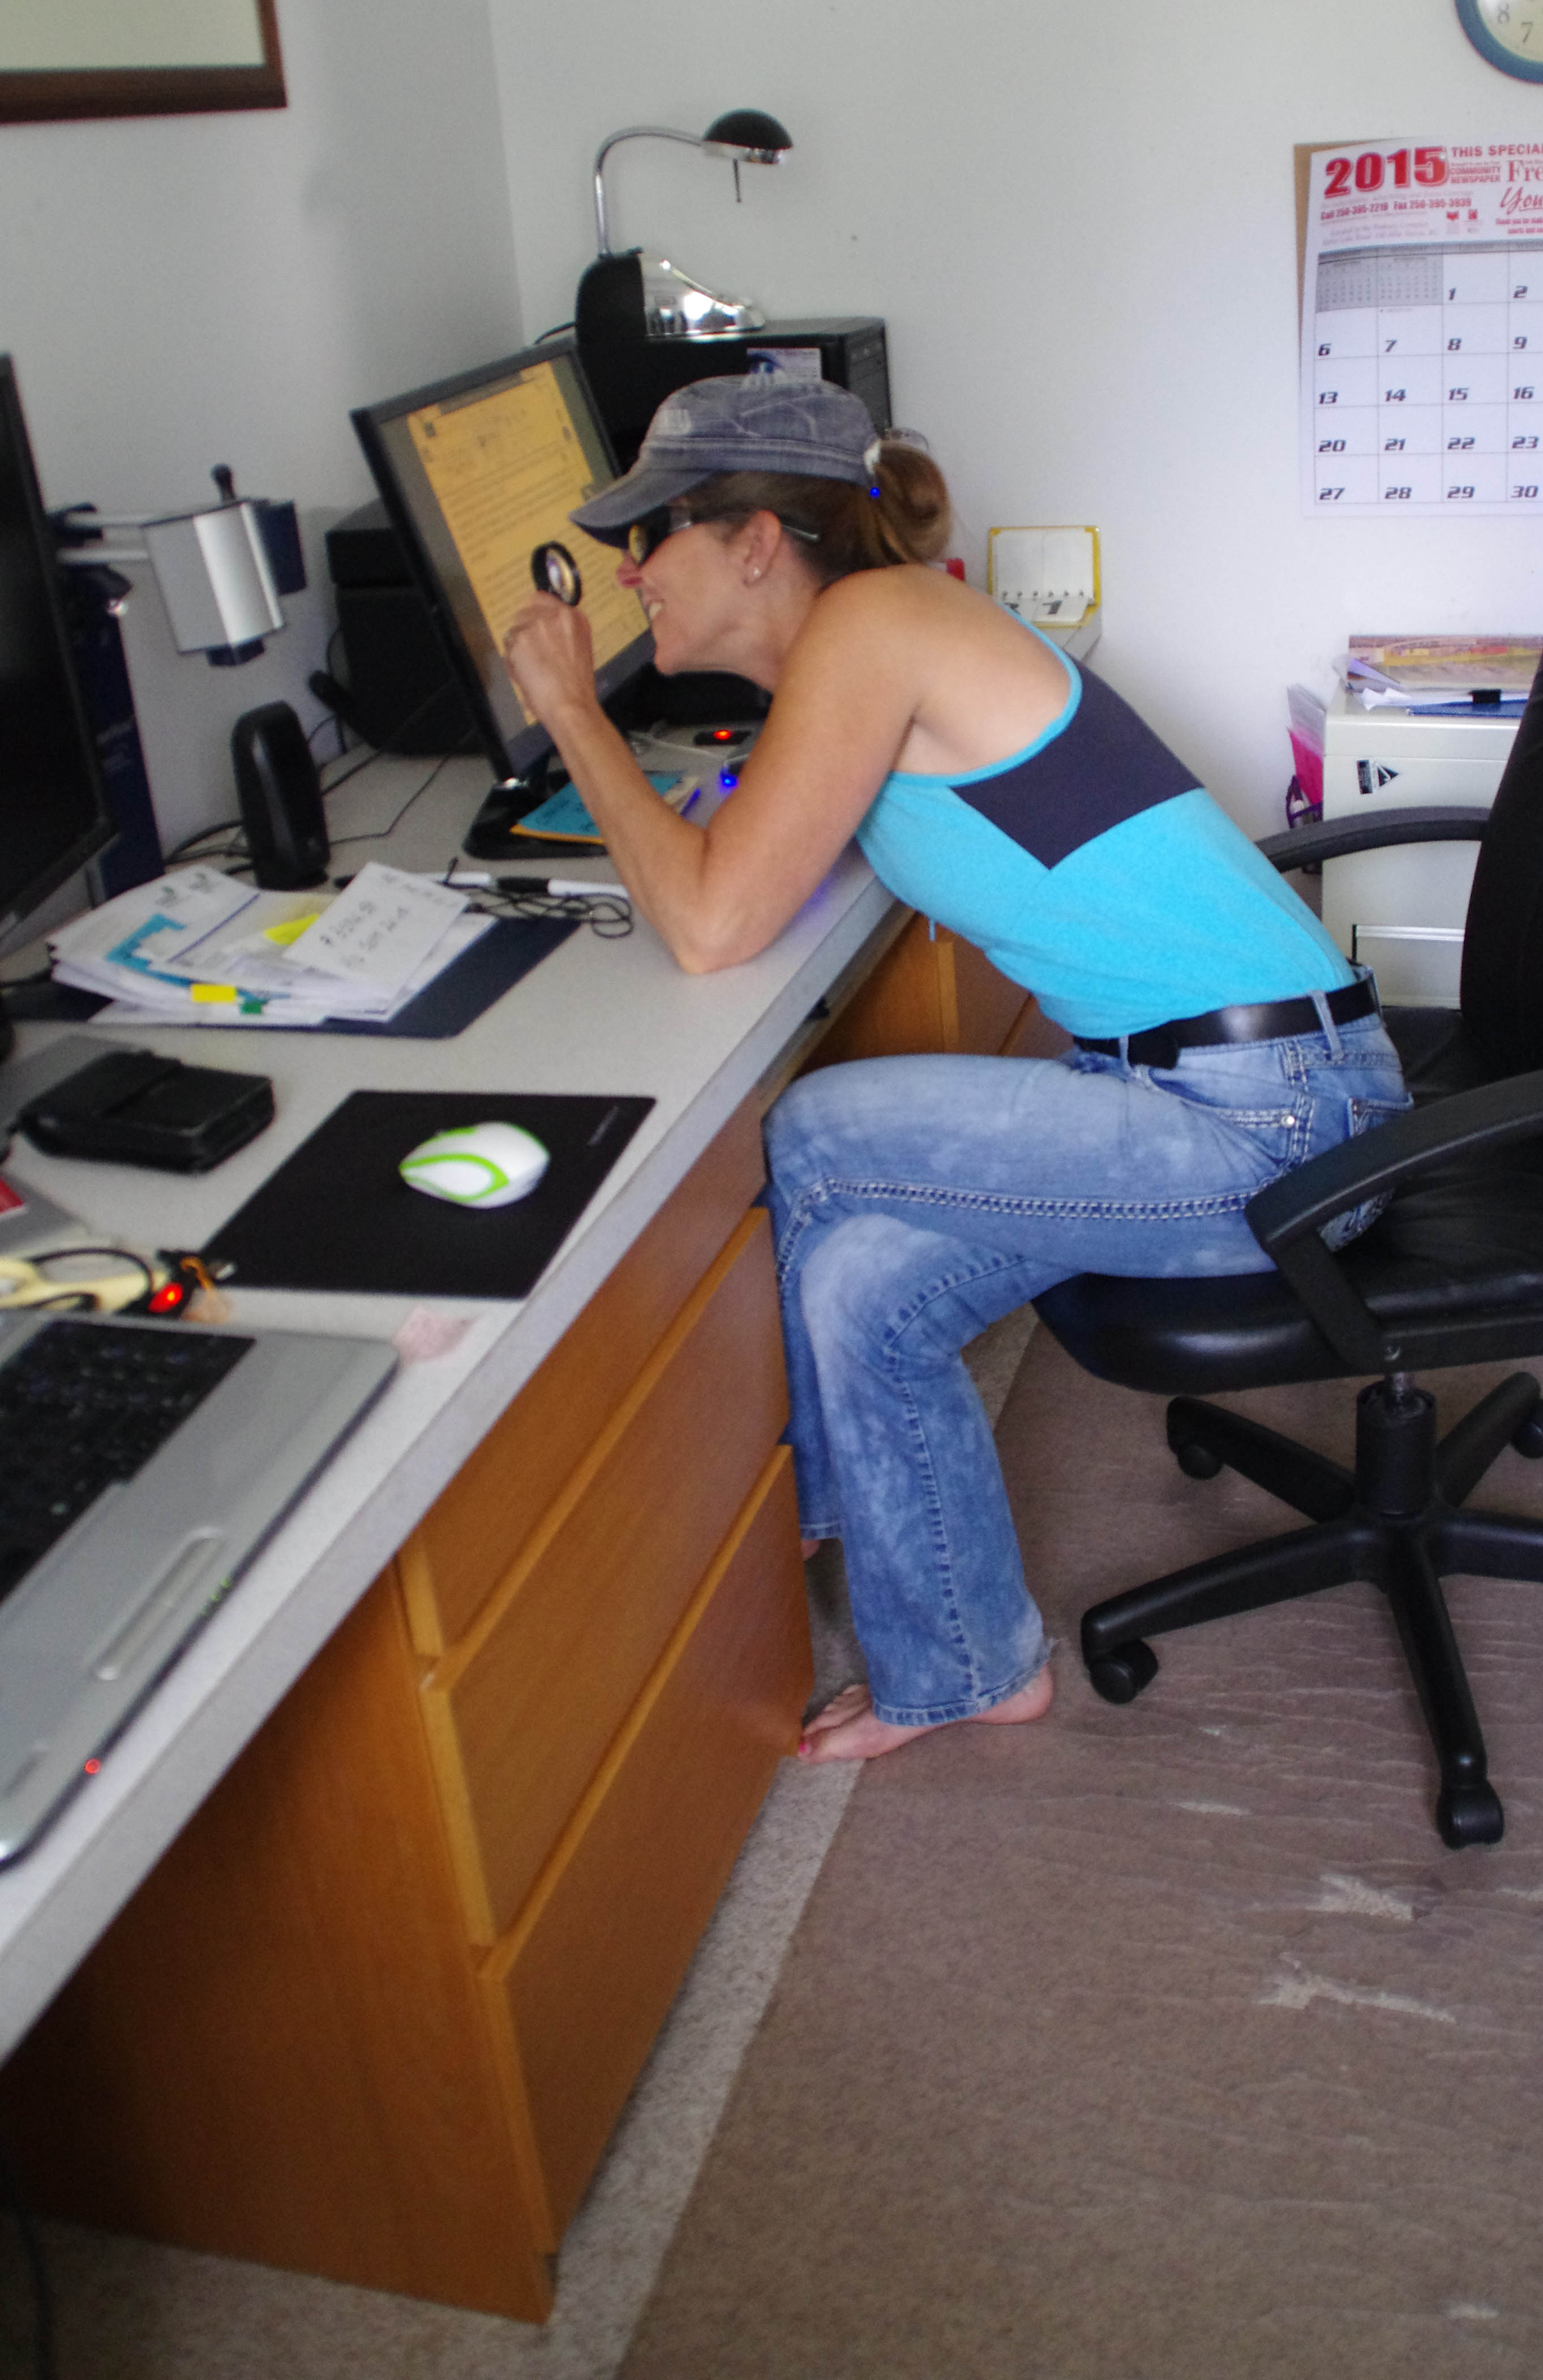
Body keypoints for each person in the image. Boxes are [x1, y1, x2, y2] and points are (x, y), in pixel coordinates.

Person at [502, 375, 1408, 1765]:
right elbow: (743, 874)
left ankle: (789, 1516)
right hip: (1221, 1093)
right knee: (861, 1284)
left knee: (813, 1130)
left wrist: (573, 711)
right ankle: (974, 1663)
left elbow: (710, 923)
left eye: (656, 535)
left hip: (1277, 1122)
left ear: (756, 542)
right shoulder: (877, 630)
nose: (629, 573)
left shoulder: (872, 625)